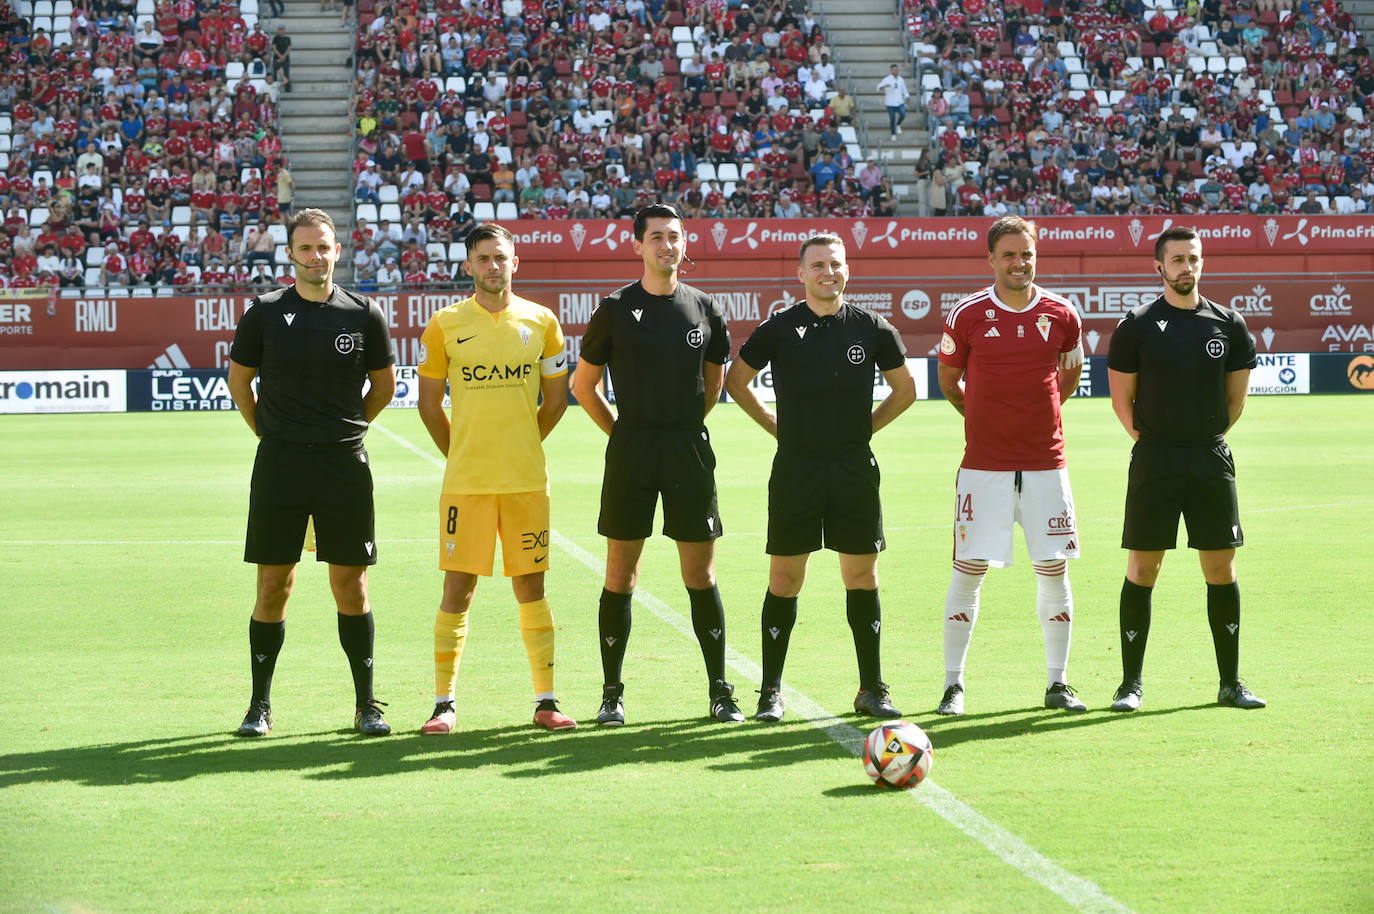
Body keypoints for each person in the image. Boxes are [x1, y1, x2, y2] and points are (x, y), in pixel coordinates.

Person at [725, 234, 917, 722]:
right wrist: (775, 427)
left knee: (861, 576)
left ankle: (871, 687)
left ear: (847, 269)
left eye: (835, 264)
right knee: (785, 579)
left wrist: (863, 429)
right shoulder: (780, 327)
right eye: (817, 265)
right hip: (796, 468)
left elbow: (905, 390)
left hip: (853, 467)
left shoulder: (873, 328)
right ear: (801, 273)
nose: (827, 272)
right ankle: (770, 691)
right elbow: (735, 381)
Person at [226, 208, 397, 737]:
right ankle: (259, 705)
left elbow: (384, 388)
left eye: (323, 247)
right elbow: (240, 384)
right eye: (305, 248)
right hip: (280, 463)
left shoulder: (364, 313)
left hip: (343, 464)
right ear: (290, 254)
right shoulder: (264, 313)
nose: (315, 256)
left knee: (352, 585)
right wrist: (271, 435)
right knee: (274, 584)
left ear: (337, 250)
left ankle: (366, 705)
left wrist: (345, 430)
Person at [570, 204, 742, 726]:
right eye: (657, 238)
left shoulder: (706, 308)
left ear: (684, 243)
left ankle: (719, 690)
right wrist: (623, 433)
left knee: (700, 573)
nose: (667, 246)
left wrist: (686, 424)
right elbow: (583, 386)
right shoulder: (616, 307)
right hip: (632, 451)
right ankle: (611, 694)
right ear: (638, 246)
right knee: (621, 574)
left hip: (688, 448)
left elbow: (713, 385)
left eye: (674, 237)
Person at [415, 223, 578, 733]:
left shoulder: (543, 321)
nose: (493, 266)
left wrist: (523, 444)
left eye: (500, 258)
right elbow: (427, 404)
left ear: (515, 262)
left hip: (527, 481)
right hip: (467, 481)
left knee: (531, 586)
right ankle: (444, 705)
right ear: (468, 265)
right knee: (458, 589)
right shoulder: (443, 324)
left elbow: (556, 402)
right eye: (483, 258)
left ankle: (546, 701)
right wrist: (459, 452)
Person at [1106, 226, 1265, 712]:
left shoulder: (1228, 324)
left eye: (1193, 259)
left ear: (1202, 262)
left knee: (1221, 568)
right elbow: (1122, 400)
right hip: (1155, 458)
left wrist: (1201, 438)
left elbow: (1234, 402)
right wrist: (1157, 441)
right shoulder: (1135, 325)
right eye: (1176, 260)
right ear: (1159, 267)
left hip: (1209, 458)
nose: (1186, 268)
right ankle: (1130, 685)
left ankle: (1230, 683)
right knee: (1143, 567)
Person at [934, 215, 1088, 716]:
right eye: (1009, 255)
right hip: (985, 467)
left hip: (1046, 464)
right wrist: (983, 417)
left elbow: (1069, 375)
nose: (1019, 263)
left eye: (1026, 254)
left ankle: (1058, 683)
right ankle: (953, 686)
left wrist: (1036, 418)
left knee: (1053, 570)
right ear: (991, 259)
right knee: (969, 570)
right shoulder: (968, 313)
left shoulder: (1063, 313)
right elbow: (949, 381)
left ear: (1036, 255)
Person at [876, 63, 910, 139]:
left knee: (903, 114)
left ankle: (898, 125)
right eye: (895, 70)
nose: (896, 71)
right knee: (892, 118)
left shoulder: (901, 79)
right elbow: (878, 87)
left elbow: (904, 89)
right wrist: (884, 86)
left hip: (899, 101)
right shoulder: (887, 79)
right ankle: (893, 133)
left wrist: (907, 97)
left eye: (897, 70)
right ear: (891, 70)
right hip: (890, 103)